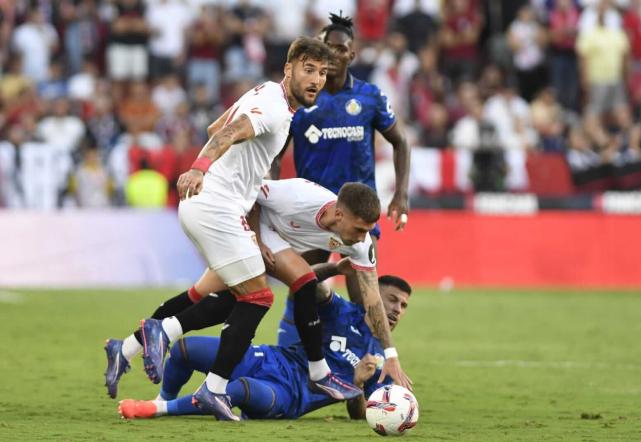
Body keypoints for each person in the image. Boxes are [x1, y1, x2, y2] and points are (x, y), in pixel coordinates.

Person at [144, 37, 333, 421]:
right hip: (216, 205)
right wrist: (200, 167)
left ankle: (152, 341)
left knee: (234, 293)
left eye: (323, 73)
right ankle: (180, 355)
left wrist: (239, 170)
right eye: (309, 69)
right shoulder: (277, 112)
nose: (316, 79)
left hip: (212, 204)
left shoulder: (265, 92)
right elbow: (228, 133)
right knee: (258, 298)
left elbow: (218, 124)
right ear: (289, 68)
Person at [105, 180, 411, 399]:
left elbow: (372, 301)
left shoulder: (361, 244)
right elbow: (251, 195)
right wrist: (257, 241)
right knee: (302, 282)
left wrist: (391, 354)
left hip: (272, 245)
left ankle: (126, 348)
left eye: (367, 232)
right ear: (340, 215)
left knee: (206, 296)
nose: (361, 239)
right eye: (359, 230)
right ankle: (318, 372)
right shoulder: (298, 196)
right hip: (247, 227)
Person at [117, 273, 413, 421]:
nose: (397, 310)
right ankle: (163, 396)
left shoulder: (383, 359)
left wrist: (358, 384)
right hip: (269, 358)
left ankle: (158, 409)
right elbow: (311, 281)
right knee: (184, 350)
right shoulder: (342, 311)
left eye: (403, 305)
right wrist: (334, 266)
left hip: (289, 396)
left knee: (238, 389)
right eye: (391, 300)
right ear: (372, 296)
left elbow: (359, 415)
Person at [276, 12, 410, 304]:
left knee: (366, 299)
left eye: (340, 48)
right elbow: (274, 155)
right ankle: (308, 350)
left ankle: (371, 351)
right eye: (327, 47)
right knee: (303, 295)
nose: (333, 54)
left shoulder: (369, 97)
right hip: (312, 212)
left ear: (352, 53)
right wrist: (272, 203)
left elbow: (400, 143)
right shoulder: (300, 99)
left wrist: (400, 194)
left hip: (360, 213)